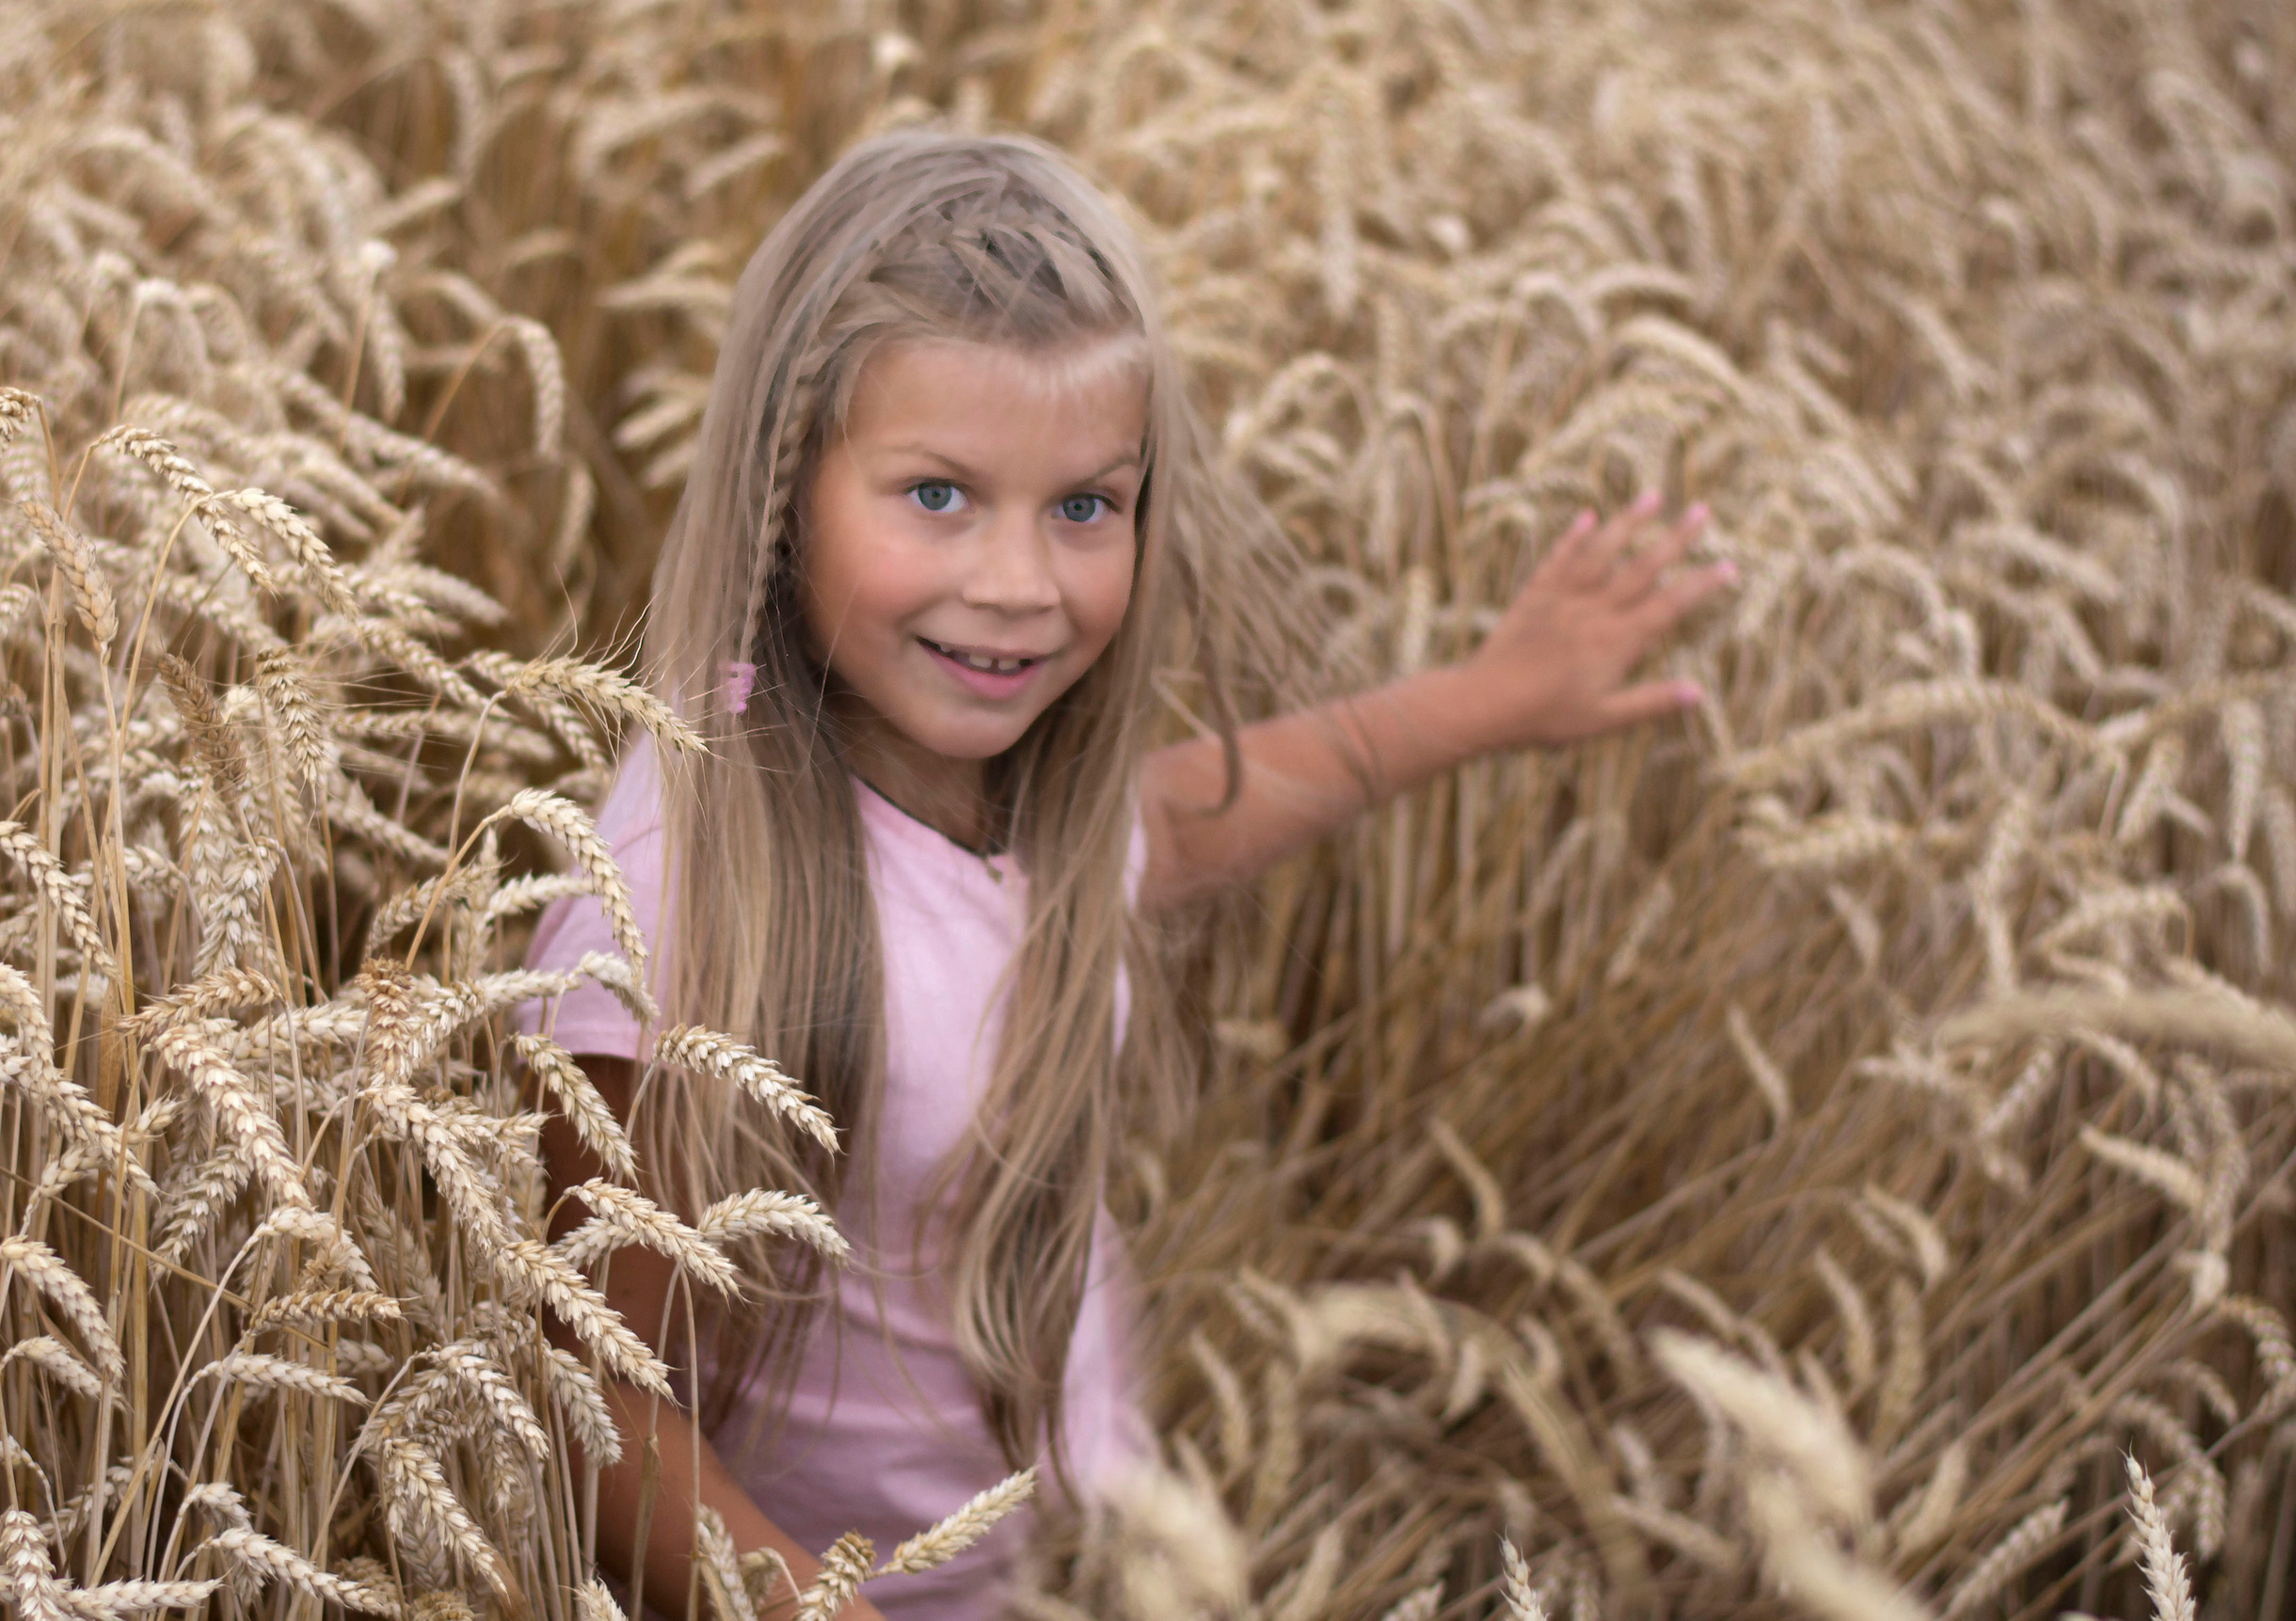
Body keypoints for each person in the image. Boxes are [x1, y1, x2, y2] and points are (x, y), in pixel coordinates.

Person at [518, 128, 1731, 1621]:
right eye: (939, 495)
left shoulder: (997, 786)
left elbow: (1142, 835)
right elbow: (593, 1402)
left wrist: (1490, 697)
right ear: (784, 485)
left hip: (1071, 1556)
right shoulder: (687, 892)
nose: (1023, 584)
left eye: (1086, 504)